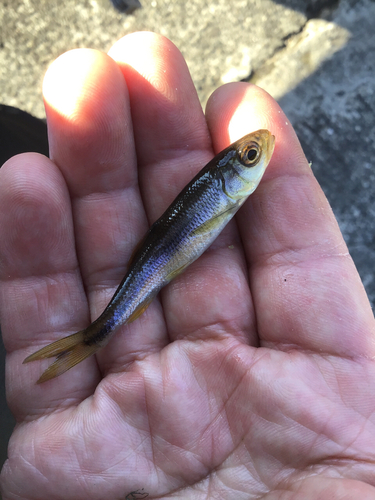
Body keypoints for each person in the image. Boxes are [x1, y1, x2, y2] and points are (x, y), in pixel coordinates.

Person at [0, 31, 374, 500]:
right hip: (153, 266)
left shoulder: (226, 194)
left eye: (251, 154)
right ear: (230, 178)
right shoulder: (219, 193)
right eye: (251, 157)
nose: (260, 152)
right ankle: (93, 336)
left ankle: (91, 337)